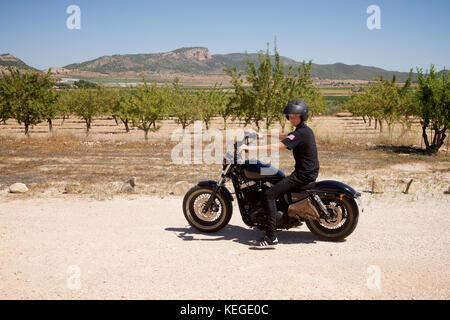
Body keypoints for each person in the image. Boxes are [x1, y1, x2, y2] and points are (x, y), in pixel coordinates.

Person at [239, 99, 320, 249]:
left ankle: (271, 238)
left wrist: (252, 149)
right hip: (307, 172)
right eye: (290, 116)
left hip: (303, 175)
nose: (292, 118)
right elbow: (286, 136)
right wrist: (263, 135)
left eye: (295, 116)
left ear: (303, 116)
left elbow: (278, 147)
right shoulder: (302, 131)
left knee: (268, 195)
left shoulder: (301, 133)